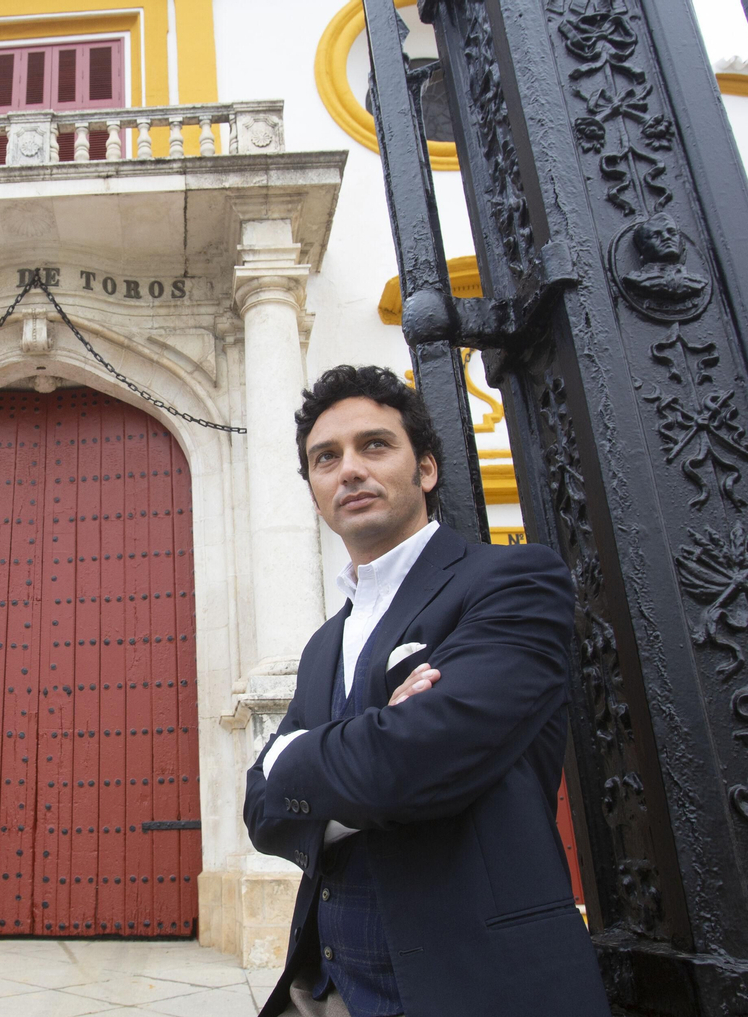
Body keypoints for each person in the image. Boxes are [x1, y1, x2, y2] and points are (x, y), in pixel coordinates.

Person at [243, 365, 612, 1017]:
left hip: (473, 985)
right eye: (326, 458)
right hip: (326, 992)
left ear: (428, 470)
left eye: (374, 445)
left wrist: (292, 760)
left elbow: (423, 759)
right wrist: (377, 739)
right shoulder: (324, 643)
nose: (349, 469)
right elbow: (262, 813)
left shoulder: (512, 581)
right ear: (315, 491)